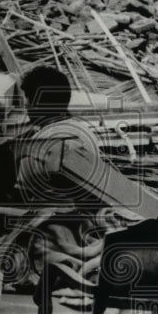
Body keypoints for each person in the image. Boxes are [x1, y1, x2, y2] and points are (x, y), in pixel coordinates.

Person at [14, 65, 105, 207]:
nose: (25, 105)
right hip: (85, 206)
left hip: (52, 213)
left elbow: (23, 193)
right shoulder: (84, 130)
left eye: (28, 98)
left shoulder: (40, 141)